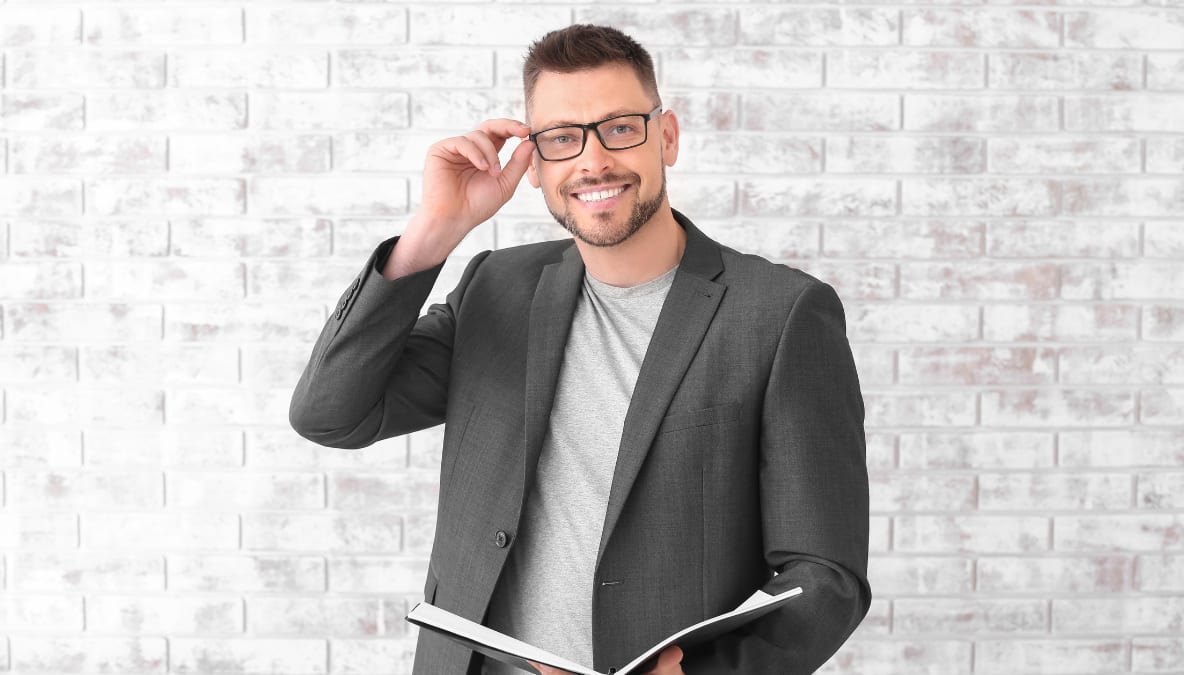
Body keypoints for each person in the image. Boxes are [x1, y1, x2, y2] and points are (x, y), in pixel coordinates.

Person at [290, 24, 870, 675]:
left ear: (667, 137)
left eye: (620, 127)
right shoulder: (495, 288)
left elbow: (825, 575)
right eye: (563, 138)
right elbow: (330, 413)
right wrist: (433, 232)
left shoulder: (781, 314)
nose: (592, 162)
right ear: (534, 164)